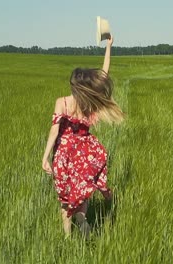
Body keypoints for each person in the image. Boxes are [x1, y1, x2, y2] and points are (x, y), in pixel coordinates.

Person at [41, 36, 123, 237]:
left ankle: (68, 238)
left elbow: (54, 131)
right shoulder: (88, 103)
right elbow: (103, 75)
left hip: (65, 152)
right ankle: (81, 217)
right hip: (85, 150)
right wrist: (108, 47)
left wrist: (45, 157)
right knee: (83, 188)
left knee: (65, 196)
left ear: (72, 85)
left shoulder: (62, 102)